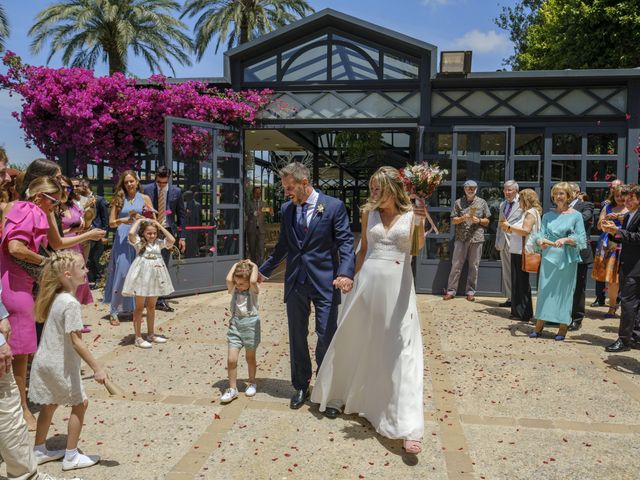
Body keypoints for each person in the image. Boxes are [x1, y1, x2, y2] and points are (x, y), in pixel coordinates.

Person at [311, 166, 426, 454]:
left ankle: (406, 424)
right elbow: (360, 250)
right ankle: (348, 396)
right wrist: (349, 275)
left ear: (392, 188)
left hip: (397, 289)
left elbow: (415, 250)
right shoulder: (367, 213)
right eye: (372, 187)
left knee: (400, 349)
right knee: (358, 340)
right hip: (367, 286)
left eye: (378, 187)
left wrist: (421, 223)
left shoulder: (413, 214)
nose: (373, 192)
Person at [1, 176, 105, 430]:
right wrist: (46, 263)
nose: (56, 205)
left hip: (18, 283)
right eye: (53, 200)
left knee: (22, 351)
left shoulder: (26, 208)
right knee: (20, 353)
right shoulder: (29, 209)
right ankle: (22, 410)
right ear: (39, 197)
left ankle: (20, 407)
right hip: (15, 286)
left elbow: (54, 242)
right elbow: (15, 247)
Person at [259, 162, 355, 410]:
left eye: (290, 188)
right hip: (296, 283)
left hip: (325, 282)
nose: (286, 193)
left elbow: (345, 243)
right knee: (297, 337)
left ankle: (327, 389)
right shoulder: (287, 209)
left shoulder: (333, 207)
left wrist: (346, 273)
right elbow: (283, 246)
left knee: (326, 336)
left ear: (304, 183)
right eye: (284, 188)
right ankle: (301, 385)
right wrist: (262, 272)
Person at [29, 250, 105, 471]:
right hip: (58, 364)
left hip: (45, 361)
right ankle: (71, 456)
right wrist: (97, 368)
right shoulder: (70, 303)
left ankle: (39, 449)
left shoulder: (56, 298)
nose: (87, 270)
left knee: (50, 403)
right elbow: (77, 341)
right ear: (67, 274)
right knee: (80, 404)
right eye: (82, 268)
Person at [529, 182, 587, 341]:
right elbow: (541, 234)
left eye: (562, 193)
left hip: (566, 259)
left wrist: (567, 239)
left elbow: (581, 239)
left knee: (564, 293)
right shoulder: (547, 215)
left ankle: (562, 327)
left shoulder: (576, 215)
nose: (558, 197)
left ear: (569, 196)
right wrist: (540, 240)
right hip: (548, 258)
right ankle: (539, 325)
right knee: (545, 291)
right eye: (556, 194)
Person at [103, 170, 154, 326]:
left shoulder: (145, 198)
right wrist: (123, 220)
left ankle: (133, 309)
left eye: (132, 181)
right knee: (122, 273)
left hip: (138, 239)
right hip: (122, 239)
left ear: (137, 182)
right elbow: (111, 222)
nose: (129, 184)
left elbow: (152, 219)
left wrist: (144, 219)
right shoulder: (119, 198)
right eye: (126, 182)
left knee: (138, 274)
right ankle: (113, 311)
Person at [121, 218, 174, 348]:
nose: (152, 236)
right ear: (143, 233)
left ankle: (151, 334)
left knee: (151, 306)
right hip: (142, 277)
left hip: (155, 276)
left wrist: (159, 227)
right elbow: (131, 234)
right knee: (139, 307)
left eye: (154, 233)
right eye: (149, 233)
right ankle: (138, 337)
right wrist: (139, 221)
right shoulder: (139, 243)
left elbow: (171, 240)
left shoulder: (159, 243)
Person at [602, 184, 640, 352]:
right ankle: (634, 337)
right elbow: (624, 238)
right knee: (632, 304)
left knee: (627, 303)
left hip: (636, 268)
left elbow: (637, 237)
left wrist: (617, 230)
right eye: (627, 197)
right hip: (628, 265)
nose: (627, 200)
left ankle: (624, 340)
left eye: (631, 198)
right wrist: (611, 232)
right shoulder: (630, 215)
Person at [143, 166, 186, 312]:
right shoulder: (146, 189)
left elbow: (181, 215)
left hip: (167, 231)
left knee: (162, 267)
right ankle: (146, 297)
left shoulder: (176, 191)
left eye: (164, 183)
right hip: (149, 232)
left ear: (168, 179)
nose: (161, 185)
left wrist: (182, 237)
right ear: (156, 178)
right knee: (146, 264)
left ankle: (159, 300)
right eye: (159, 182)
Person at [220, 260, 260, 403]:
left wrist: (254, 266)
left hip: (251, 326)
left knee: (250, 358)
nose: (238, 286)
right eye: (237, 283)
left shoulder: (253, 290)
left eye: (242, 283)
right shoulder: (234, 289)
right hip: (235, 325)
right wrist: (236, 265)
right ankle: (232, 389)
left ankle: (252, 382)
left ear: (249, 282)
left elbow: (254, 280)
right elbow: (228, 279)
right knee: (231, 360)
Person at [443, 180, 491, 301]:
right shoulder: (458, 202)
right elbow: (453, 220)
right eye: (468, 188)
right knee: (456, 265)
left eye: (473, 188)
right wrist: (462, 218)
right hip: (461, 237)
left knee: (473, 266)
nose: (471, 190)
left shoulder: (482, 202)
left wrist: (479, 221)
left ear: (476, 189)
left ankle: (470, 291)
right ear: (464, 189)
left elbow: (487, 221)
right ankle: (451, 291)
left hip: (477, 238)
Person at [501, 189, 542, 322]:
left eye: (520, 199)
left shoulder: (530, 213)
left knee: (521, 282)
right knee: (518, 282)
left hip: (522, 252)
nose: (518, 202)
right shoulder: (528, 212)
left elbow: (525, 231)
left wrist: (509, 227)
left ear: (525, 199)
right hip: (517, 251)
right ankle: (519, 311)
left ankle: (523, 312)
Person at [592, 185, 627, 319]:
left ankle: (628, 309)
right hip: (609, 245)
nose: (620, 198)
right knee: (613, 279)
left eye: (622, 195)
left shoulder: (632, 208)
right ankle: (612, 307)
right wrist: (605, 221)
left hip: (626, 244)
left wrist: (621, 218)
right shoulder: (607, 207)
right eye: (617, 195)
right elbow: (599, 225)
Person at [58, 176, 93, 306]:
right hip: (61, 248)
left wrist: (85, 228)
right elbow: (53, 234)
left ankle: (75, 317)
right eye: (63, 187)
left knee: (79, 280)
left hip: (76, 246)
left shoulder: (73, 205)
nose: (66, 190)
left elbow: (82, 223)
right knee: (64, 283)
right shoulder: (53, 207)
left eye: (68, 188)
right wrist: (72, 231)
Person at [567, 185, 594, 331]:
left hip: (580, 252)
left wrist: (565, 219)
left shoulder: (585, 205)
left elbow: (585, 218)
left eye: (569, 191)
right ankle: (562, 315)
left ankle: (577, 319)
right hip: (563, 252)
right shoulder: (560, 207)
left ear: (577, 193)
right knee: (565, 286)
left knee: (578, 287)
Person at [495, 181, 522, 307]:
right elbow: (500, 225)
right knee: (507, 272)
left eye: (509, 190)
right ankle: (511, 298)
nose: (506, 192)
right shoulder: (503, 204)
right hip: (503, 243)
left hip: (516, 242)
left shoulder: (522, 203)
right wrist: (497, 241)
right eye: (505, 190)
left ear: (516, 190)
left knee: (516, 272)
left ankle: (518, 299)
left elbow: (524, 223)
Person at [87, 187, 109, 286]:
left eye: (79, 186)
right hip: (85, 233)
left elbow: (105, 217)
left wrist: (104, 234)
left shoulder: (99, 199)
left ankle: (98, 279)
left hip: (97, 232)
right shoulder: (80, 199)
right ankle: (91, 279)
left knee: (95, 257)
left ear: (86, 186)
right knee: (88, 257)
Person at [246, 186, 267, 265]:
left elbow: (268, 212)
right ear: (253, 193)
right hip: (251, 229)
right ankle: (254, 265)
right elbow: (247, 212)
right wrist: (255, 213)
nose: (258, 194)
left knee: (261, 249)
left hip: (261, 229)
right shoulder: (249, 202)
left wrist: (271, 212)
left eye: (259, 193)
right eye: (256, 193)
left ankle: (261, 267)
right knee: (252, 249)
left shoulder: (263, 203)